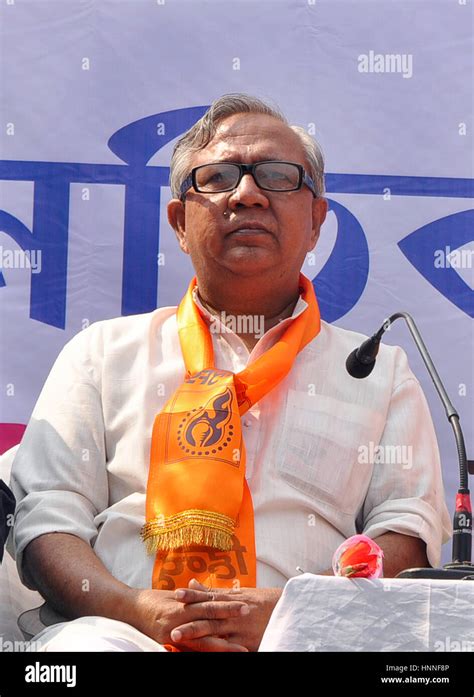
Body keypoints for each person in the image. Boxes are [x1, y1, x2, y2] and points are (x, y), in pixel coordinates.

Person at [9, 93, 451, 652]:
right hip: (125, 635)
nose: (247, 194)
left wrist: (302, 611)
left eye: (277, 175)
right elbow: (47, 521)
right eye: (217, 177)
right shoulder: (102, 352)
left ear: (316, 221)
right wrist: (137, 610)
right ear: (179, 221)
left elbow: (409, 529)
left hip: (306, 638)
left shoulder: (378, 372)